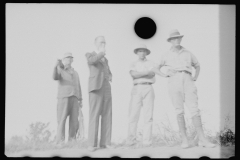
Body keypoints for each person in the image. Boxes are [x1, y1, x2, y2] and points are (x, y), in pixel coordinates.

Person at [152, 29, 216, 148]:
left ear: (181, 39)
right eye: (173, 38)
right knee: (179, 110)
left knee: (194, 109)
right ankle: (184, 140)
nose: (176, 40)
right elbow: (155, 68)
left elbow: (197, 65)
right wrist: (165, 75)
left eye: (178, 38)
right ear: (170, 41)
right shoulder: (166, 54)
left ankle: (202, 139)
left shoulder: (188, 53)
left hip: (187, 79)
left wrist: (195, 78)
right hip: (174, 80)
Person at [127, 44, 166, 147]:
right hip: (137, 87)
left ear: (146, 52)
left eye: (143, 51)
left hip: (148, 87)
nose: (142, 53)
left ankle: (147, 142)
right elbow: (134, 74)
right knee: (133, 115)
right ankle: (131, 141)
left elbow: (153, 73)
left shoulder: (151, 63)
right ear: (137, 52)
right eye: (140, 51)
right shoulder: (133, 63)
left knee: (148, 116)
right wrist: (147, 73)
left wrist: (143, 73)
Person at [85, 36, 113, 152]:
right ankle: (92, 144)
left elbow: (108, 70)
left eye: (104, 42)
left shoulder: (105, 59)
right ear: (95, 43)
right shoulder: (89, 54)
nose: (103, 44)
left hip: (106, 87)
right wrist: (101, 53)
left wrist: (110, 75)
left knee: (107, 114)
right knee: (94, 114)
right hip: (95, 87)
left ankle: (105, 142)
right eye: (101, 42)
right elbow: (92, 61)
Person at [53, 52, 83, 144]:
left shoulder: (75, 73)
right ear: (63, 60)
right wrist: (56, 66)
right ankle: (60, 141)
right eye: (67, 58)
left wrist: (80, 99)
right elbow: (55, 77)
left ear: (72, 60)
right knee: (61, 119)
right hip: (63, 97)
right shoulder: (60, 69)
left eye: (70, 58)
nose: (69, 59)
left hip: (74, 98)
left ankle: (72, 141)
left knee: (74, 120)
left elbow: (79, 85)